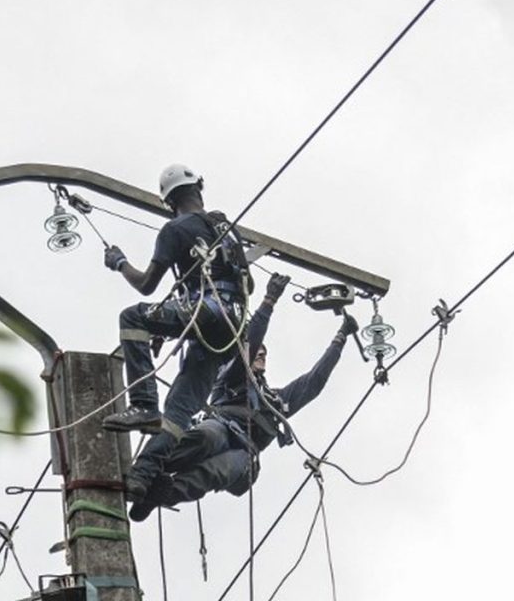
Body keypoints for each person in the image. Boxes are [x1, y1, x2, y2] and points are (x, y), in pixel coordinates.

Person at [127, 275, 359, 521]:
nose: (261, 354)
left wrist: (340, 338)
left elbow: (313, 382)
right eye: (257, 352)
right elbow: (252, 341)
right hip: (223, 427)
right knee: (206, 437)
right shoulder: (232, 375)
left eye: (264, 354)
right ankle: (149, 472)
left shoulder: (276, 401)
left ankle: (160, 495)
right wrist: (269, 301)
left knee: (216, 471)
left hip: (246, 450)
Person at [101, 163, 251, 499]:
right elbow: (247, 283)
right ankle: (142, 477)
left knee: (133, 317)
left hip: (208, 312)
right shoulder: (227, 230)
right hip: (232, 326)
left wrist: (120, 263)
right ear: (199, 188)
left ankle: (143, 404)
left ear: (169, 202)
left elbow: (146, 285)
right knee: (179, 410)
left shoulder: (175, 229)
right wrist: (170, 325)